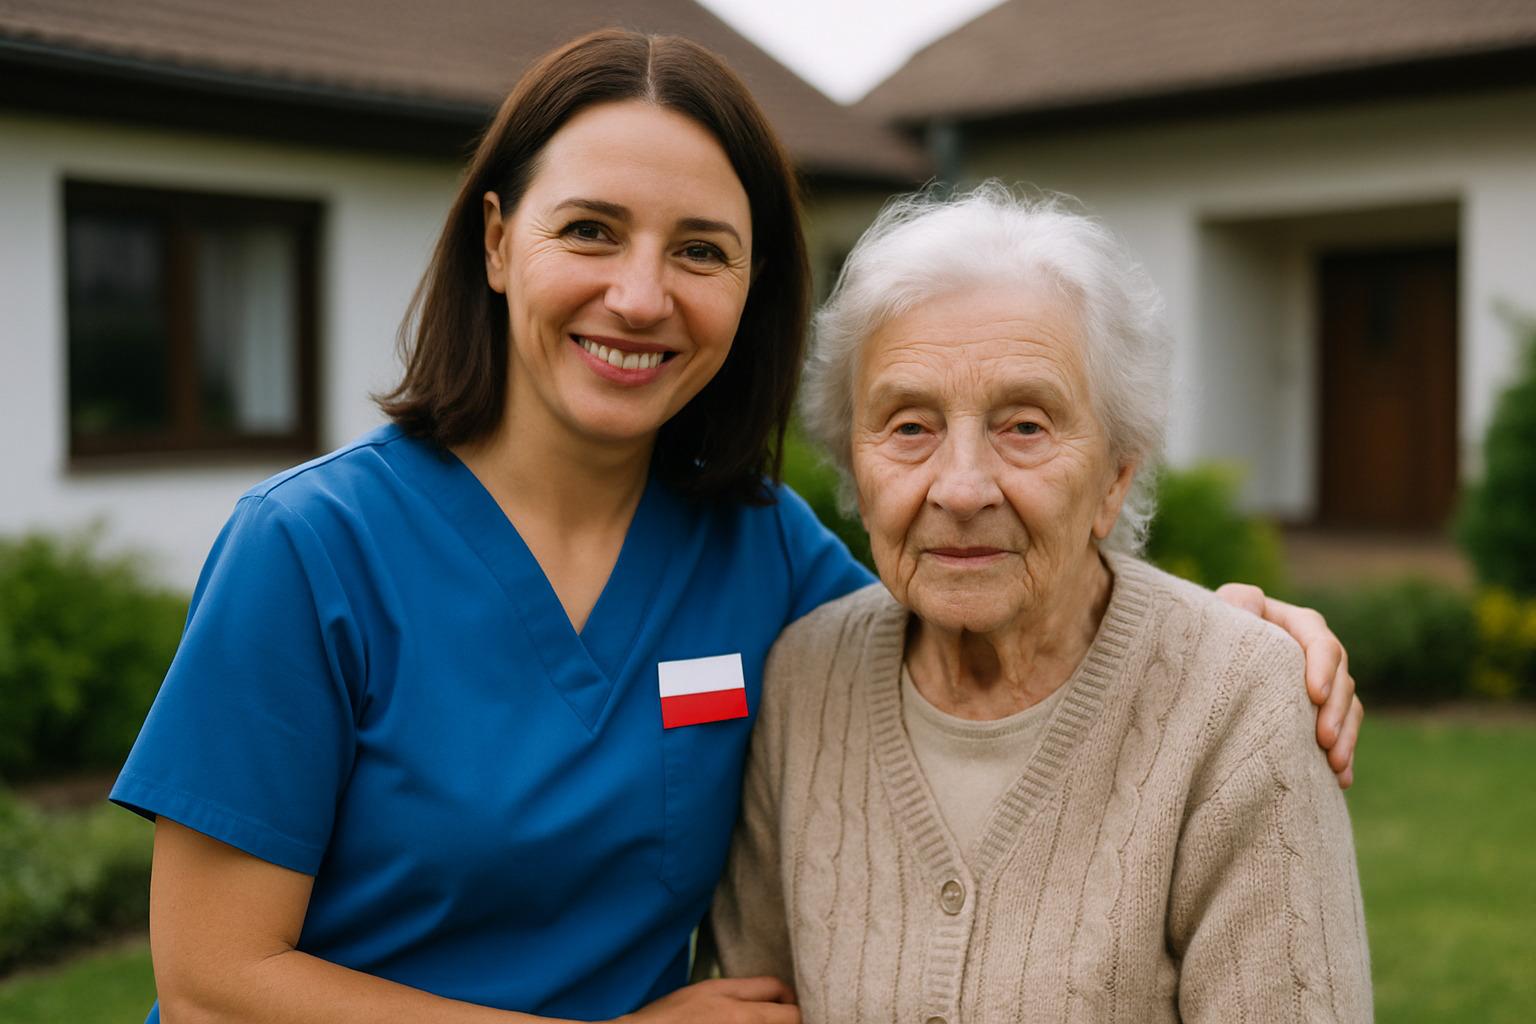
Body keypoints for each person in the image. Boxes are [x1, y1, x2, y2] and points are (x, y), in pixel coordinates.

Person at [109, 30, 1360, 1024]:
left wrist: (1232, 639)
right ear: (497, 243)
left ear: (748, 289)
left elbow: (982, 571)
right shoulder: (309, 549)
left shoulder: (761, 557)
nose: (639, 294)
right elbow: (219, 981)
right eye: (589, 230)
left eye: (700, 250)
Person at [710, 186, 1373, 1022]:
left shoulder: (1240, 707)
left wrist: (1235, 663)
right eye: (909, 426)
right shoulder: (804, 680)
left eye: (1024, 426)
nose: (960, 487)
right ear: (855, 469)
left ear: (1116, 476)